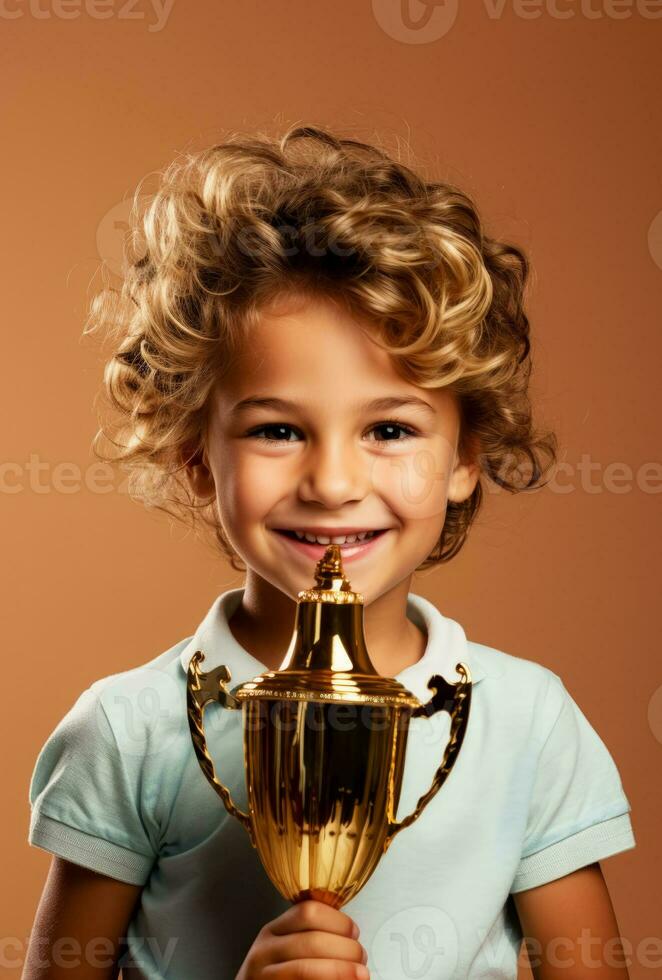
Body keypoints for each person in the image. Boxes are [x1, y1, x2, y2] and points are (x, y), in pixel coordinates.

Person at [23, 124, 635, 980]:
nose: (333, 481)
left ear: (464, 458)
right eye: (278, 429)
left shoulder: (528, 725)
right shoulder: (128, 733)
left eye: (389, 429)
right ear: (197, 460)